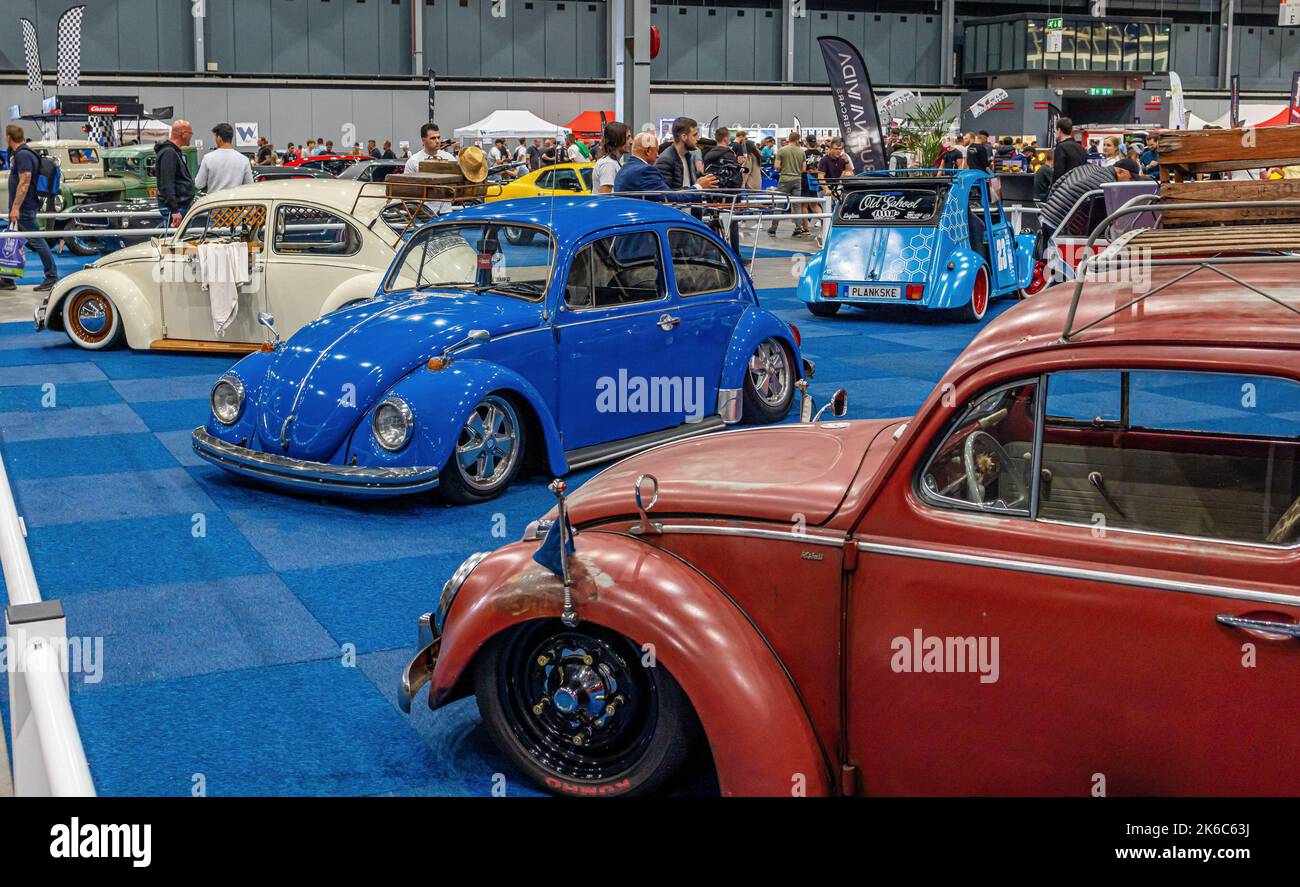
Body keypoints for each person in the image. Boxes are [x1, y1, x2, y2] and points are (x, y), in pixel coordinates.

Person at [1037, 157, 1139, 259]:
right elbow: (1096, 217)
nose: (1131, 182)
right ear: (1120, 171)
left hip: (1047, 215)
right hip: (1061, 226)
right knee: (1054, 265)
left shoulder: (1087, 167)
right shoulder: (1108, 185)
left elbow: (1057, 184)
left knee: (1043, 260)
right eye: (1131, 179)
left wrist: (1050, 206)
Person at [1, 124, 58, 292]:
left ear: (9, 138)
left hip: (24, 208)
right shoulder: (23, 153)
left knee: (37, 241)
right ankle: (7, 279)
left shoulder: (23, 155)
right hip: (23, 206)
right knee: (11, 241)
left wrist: (16, 208)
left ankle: (52, 276)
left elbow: (25, 182)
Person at [655, 116, 718, 191]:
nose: (698, 139)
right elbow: (666, 195)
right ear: (684, 137)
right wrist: (698, 186)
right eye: (694, 135)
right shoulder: (665, 160)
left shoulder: (688, 156)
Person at [156, 119, 196, 230]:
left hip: (178, 208)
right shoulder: (169, 153)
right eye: (190, 133)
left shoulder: (171, 152)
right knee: (175, 244)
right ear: (183, 134)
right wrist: (174, 210)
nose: (191, 136)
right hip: (176, 209)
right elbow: (167, 183)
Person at [194, 123, 254, 194]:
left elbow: (199, 184)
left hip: (214, 203)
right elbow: (249, 185)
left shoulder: (208, 158)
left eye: (215, 137)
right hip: (236, 203)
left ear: (219, 138)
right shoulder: (244, 160)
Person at [768, 131, 808, 237]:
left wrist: (785, 169)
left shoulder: (782, 151)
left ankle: (773, 229)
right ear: (797, 140)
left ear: (789, 139)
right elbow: (804, 169)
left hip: (784, 179)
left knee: (779, 204)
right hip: (797, 179)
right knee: (797, 205)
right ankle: (798, 228)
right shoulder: (801, 152)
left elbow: (776, 167)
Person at [594, 121, 630, 194]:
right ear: (617, 140)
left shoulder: (611, 162)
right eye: (628, 137)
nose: (631, 141)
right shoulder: (608, 165)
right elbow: (605, 198)